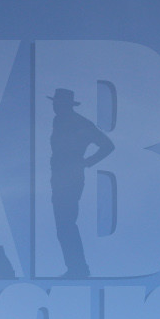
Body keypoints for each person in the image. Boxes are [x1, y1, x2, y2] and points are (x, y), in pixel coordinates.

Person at [48, 87, 114, 279]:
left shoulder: (79, 122)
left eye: (58, 103)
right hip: (59, 176)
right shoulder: (58, 120)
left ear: (66, 104)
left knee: (66, 223)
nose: (55, 106)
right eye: (54, 102)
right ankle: (76, 268)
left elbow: (108, 145)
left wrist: (86, 162)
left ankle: (78, 269)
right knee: (63, 224)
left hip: (70, 177)